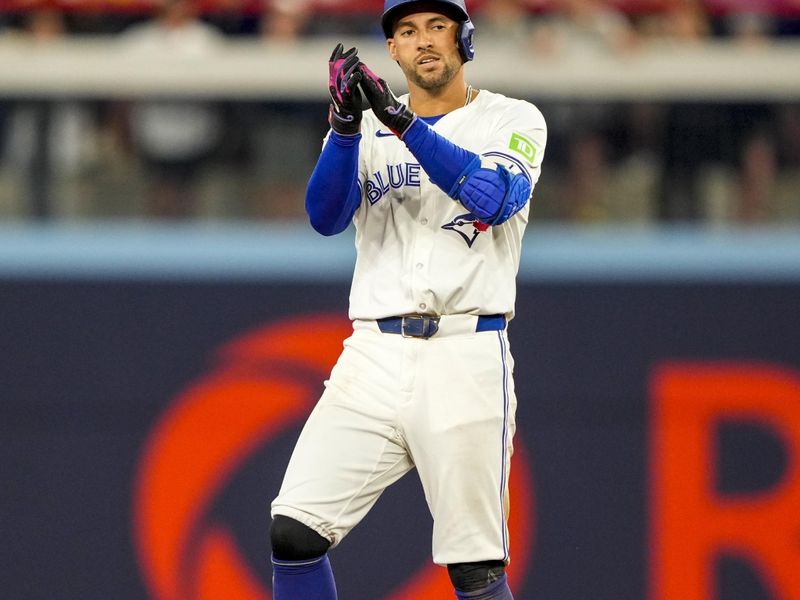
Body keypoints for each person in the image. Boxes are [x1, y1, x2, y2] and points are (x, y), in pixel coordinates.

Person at [269, 1, 546, 598]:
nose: (423, 41)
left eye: (437, 27)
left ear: (464, 38)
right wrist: (346, 129)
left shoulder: (513, 118)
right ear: (391, 50)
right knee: (294, 531)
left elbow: (493, 197)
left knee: (475, 571)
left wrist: (399, 120)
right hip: (372, 353)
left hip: (465, 352)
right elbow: (324, 217)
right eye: (407, 31)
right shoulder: (367, 128)